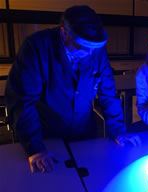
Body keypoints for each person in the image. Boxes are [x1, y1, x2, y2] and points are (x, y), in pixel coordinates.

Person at [5, 5, 140, 173]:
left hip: (84, 134)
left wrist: (118, 130)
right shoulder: (36, 47)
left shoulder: (95, 50)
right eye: (83, 47)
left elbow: (108, 94)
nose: (90, 54)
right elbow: (22, 100)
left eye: (94, 49)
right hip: (45, 137)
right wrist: (35, 147)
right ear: (64, 33)